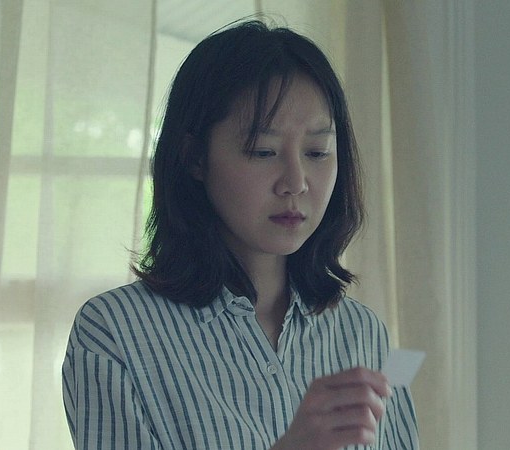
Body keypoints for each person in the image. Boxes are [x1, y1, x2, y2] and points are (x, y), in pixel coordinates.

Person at [61, 20, 419, 450]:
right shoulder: (115, 333)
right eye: (263, 151)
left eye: (317, 152)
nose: (296, 182)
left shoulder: (363, 334)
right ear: (194, 158)